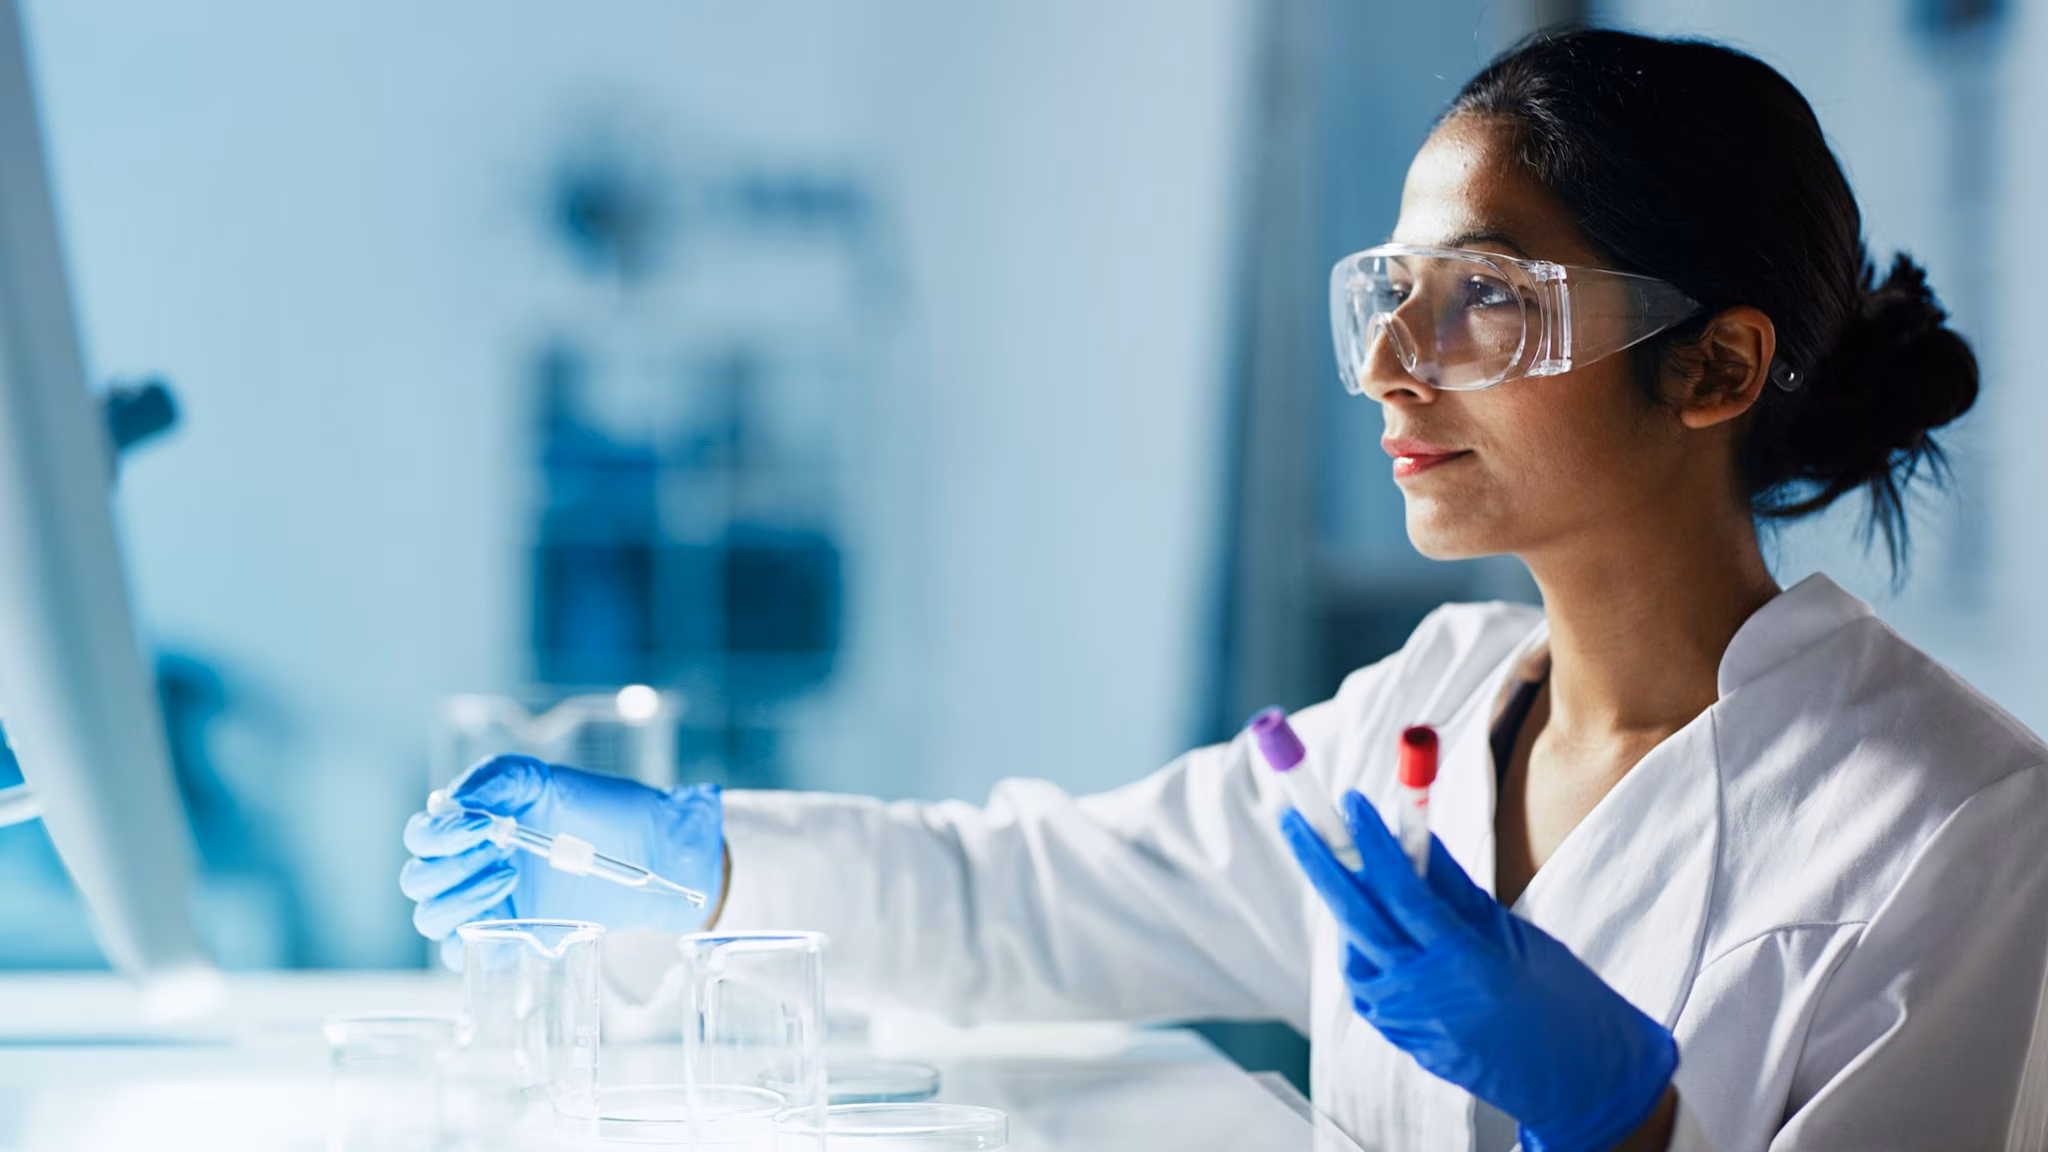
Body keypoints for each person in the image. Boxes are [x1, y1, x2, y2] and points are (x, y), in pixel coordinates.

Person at [400, 29, 2048, 1152]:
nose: (1391, 370)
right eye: (1387, 296)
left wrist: (1628, 1124)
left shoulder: (1956, 822)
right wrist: (697, 861)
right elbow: (1018, 905)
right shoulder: (1415, 722)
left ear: (1716, 366)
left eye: (1480, 298)